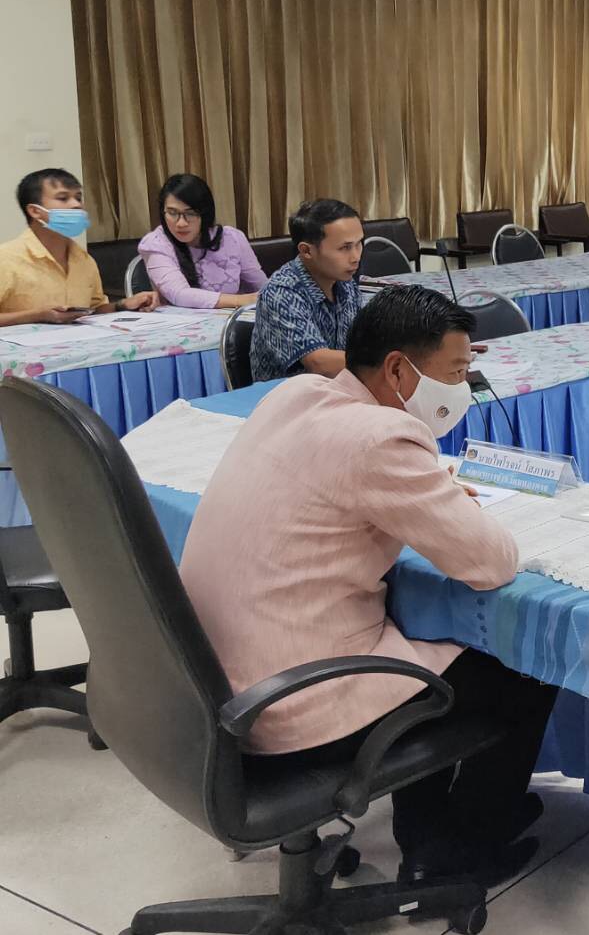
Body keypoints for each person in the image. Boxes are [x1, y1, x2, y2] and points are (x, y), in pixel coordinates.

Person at [179, 284, 557, 883]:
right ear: (399, 370)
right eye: (457, 371)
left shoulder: (297, 395)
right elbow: (491, 562)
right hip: (290, 703)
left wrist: (418, 496)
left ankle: (427, 832)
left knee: (421, 636)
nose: (465, 388)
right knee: (524, 669)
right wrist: (443, 501)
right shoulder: (382, 439)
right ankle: (460, 852)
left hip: (209, 689)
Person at [1, 168, 158, 326]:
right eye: (63, 198)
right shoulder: (6, 259)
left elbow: (93, 309)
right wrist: (38, 315)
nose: (76, 204)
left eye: (78, 197)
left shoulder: (84, 259)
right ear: (35, 211)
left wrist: (123, 304)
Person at [250, 197, 363, 382]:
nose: (356, 256)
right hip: (287, 399)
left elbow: (363, 341)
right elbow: (319, 364)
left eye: (359, 244)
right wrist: (381, 359)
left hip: (336, 390)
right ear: (306, 251)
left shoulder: (345, 282)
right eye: (345, 248)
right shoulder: (282, 292)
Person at [137, 173, 267, 309]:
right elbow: (180, 294)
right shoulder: (155, 244)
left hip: (233, 324)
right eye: (173, 213)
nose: (181, 223)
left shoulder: (232, 238)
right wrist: (245, 300)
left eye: (190, 213)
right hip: (183, 326)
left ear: (205, 213)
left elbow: (261, 285)